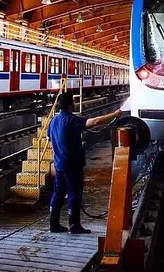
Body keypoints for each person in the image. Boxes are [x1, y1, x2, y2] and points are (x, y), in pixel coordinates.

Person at [47, 91, 127, 233]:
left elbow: (49, 139)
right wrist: (115, 114)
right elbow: (95, 122)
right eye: (73, 101)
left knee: (58, 193)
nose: (75, 103)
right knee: (74, 193)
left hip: (59, 164)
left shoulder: (53, 121)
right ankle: (74, 225)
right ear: (70, 105)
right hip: (73, 164)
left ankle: (53, 224)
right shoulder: (72, 120)